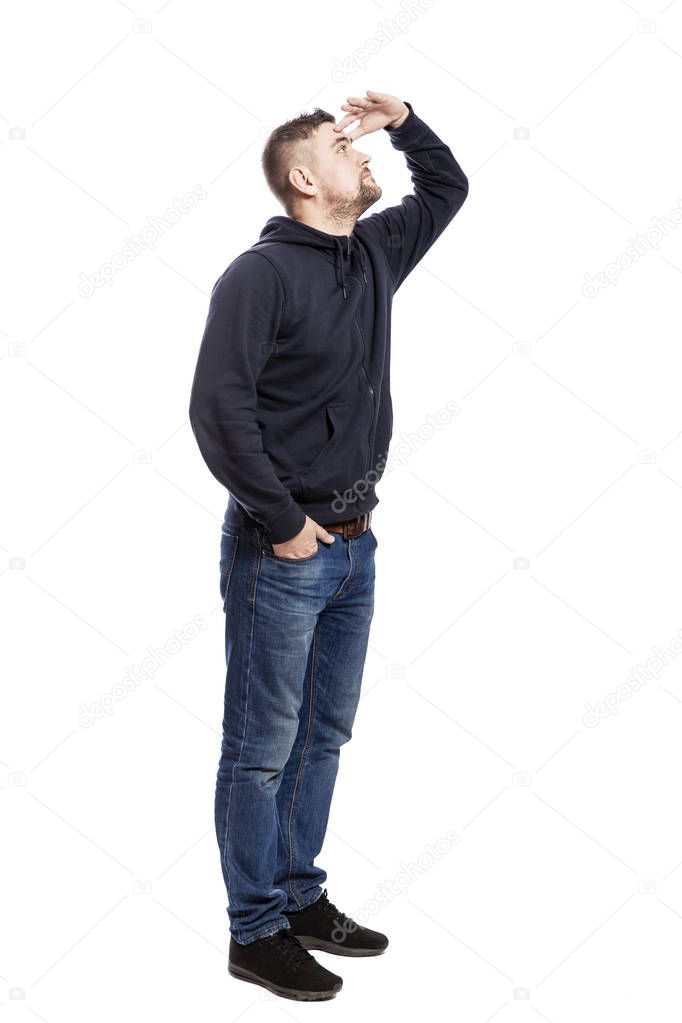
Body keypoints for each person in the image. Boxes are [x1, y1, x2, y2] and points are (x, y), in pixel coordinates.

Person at [188, 89, 468, 1001]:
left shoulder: (373, 255)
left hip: (356, 547)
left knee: (323, 734)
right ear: (304, 179)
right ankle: (254, 927)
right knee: (261, 744)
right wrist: (281, 521)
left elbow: (449, 185)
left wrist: (402, 118)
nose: (360, 151)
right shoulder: (258, 276)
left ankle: (300, 896)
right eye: (340, 144)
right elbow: (217, 412)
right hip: (284, 551)